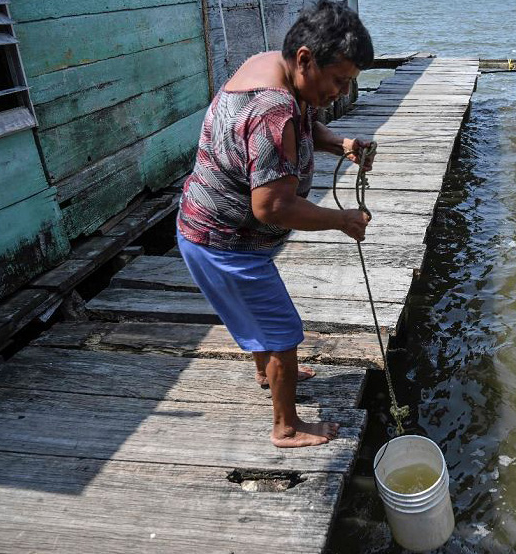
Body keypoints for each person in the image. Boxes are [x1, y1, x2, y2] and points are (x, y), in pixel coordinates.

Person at [176, 1, 376, 448]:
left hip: (207, 230)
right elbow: (272, 207)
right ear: (305, 59)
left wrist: (341, 143)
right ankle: (286, 427)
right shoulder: (273, 110)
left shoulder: (272, 66)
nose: (342, 93)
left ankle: (267, 373)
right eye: (339, 80)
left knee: (258, 315)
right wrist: (342, 220)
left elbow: (306, 126)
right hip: (226, 243)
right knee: (284, 330)